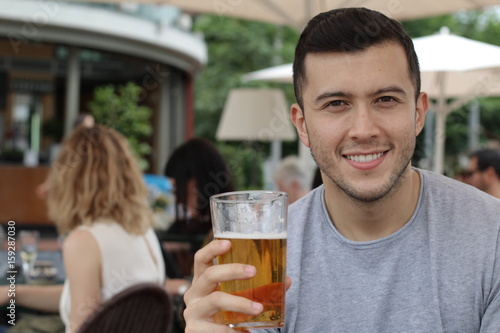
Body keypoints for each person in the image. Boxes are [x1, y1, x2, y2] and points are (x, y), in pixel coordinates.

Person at [183, 7, 500, 333]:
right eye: (336, 104)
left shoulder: (492, 237)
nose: (363, 130)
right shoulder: (266, 261)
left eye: (386, 99)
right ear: (302, 126)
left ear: (418, 113)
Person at [1, 125, 166, 333]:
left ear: (70, 179)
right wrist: (15, 292)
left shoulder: (84, 240)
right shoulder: (142, 230)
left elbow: (82, 325)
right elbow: (85, 298)